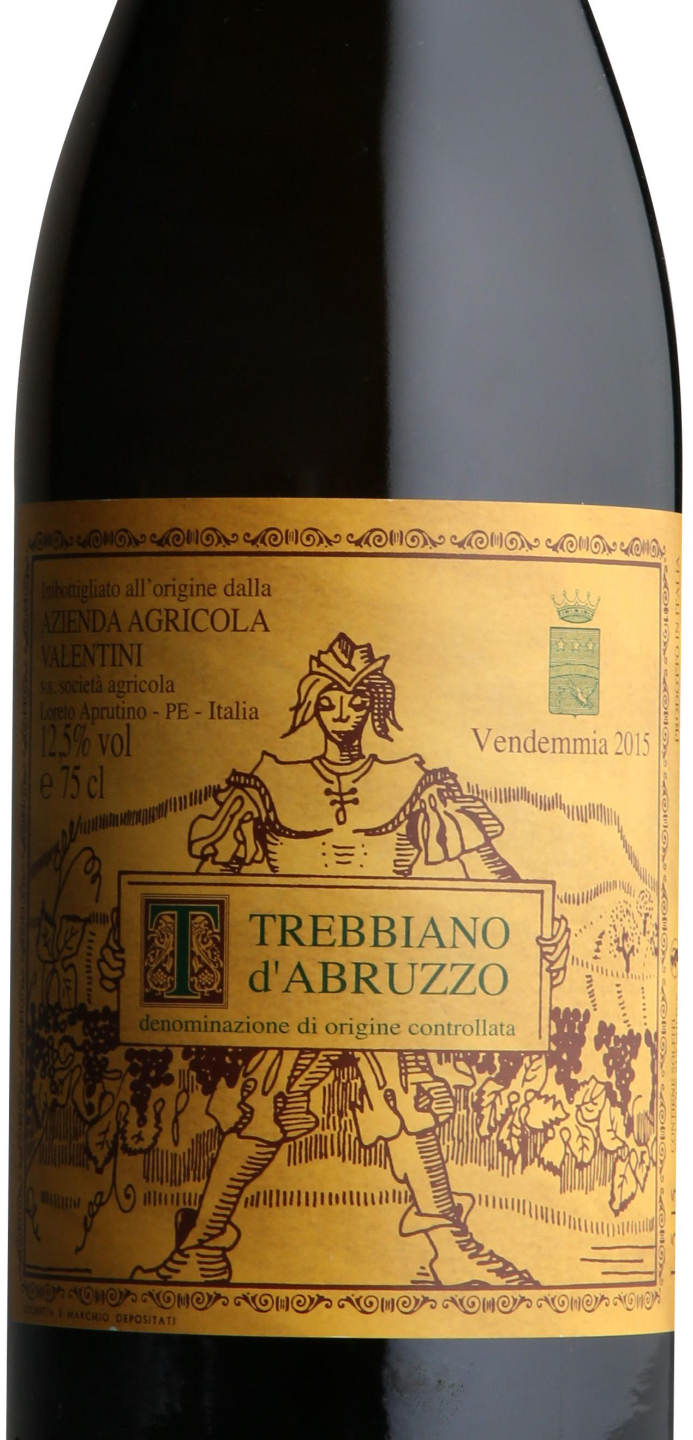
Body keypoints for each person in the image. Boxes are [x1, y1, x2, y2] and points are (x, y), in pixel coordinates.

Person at [129, 633, 569, 1288]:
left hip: (385, 984)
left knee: (406, 1099)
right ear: (312, 704)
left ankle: (447, 1247)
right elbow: (211, 878)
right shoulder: (268, 783)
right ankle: (203, 1247)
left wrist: (540, 925)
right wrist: (144, 945)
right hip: (290, 986)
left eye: (357, 700)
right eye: (330, 700)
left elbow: (482, 862)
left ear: (375, 706)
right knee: (261, 1106)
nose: (343, 713)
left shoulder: (413, 782)